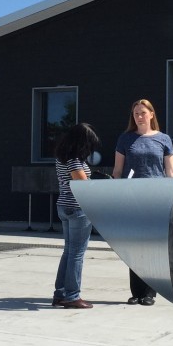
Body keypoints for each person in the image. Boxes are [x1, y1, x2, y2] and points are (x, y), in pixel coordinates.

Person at [112, 98, 173, 306]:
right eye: (136, 113)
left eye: (142, 112)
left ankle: (150, 292)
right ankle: (136, 292)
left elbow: (170, 170)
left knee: (152, 245)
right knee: (135, 245)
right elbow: (117, 171)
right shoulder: (125, 139)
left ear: (151, 114)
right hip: (132, 197)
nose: (139, 116)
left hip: (156, 196)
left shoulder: (163, 139)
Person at [52, 122, 101, 309]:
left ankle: (60, 294)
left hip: (64, 206)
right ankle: (72, 296)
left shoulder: (63, 156)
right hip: (77, 208)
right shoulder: (73, 159)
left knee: (69, 252)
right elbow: (82, 183)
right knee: (76, 254)